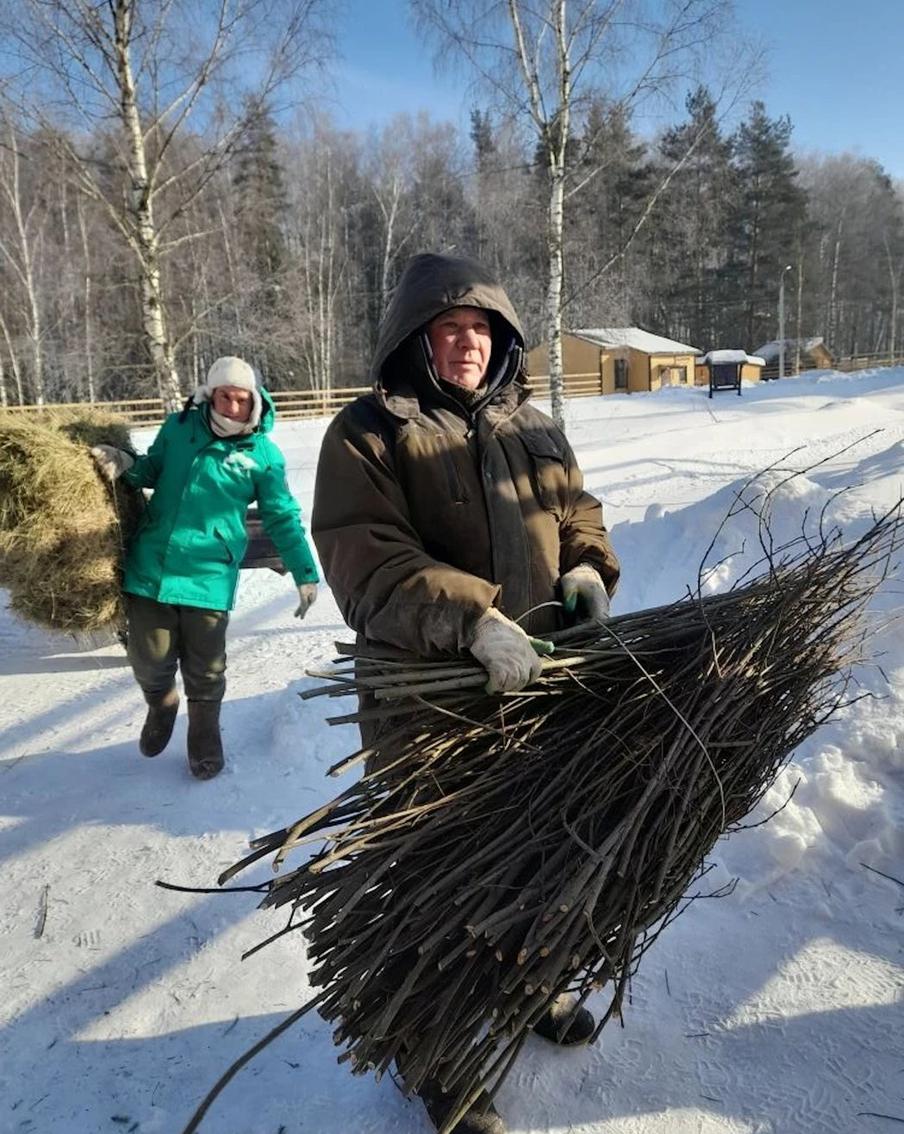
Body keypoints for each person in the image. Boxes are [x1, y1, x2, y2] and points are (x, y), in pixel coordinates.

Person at [311, 253, 620, 1134]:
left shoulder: (536, 425)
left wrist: (590, 570)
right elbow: (363, 557)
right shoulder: (369, 434)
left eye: (482, 328)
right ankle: (439, 1055)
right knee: (436, 881)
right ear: (415, 338)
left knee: (545, 854)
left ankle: (533, 985)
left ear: (504, 336)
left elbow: (577, 512)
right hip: (430, 706)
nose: (467, 344)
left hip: (539, 690)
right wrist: (474, 619)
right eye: (449, 329)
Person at [92, 356, 319, 780]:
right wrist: (125, 463)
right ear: (209, 395)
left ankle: (204, 731)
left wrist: (305, 572)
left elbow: (282, 516)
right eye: (223, 396)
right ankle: (161, 704)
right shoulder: (179, 429)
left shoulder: (263, 456)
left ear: (254, 399)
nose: (232, 406)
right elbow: (152, 470)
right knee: (149, 658)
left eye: (240, 398)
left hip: (209, 576)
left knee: (206, 666)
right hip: (153, 567)